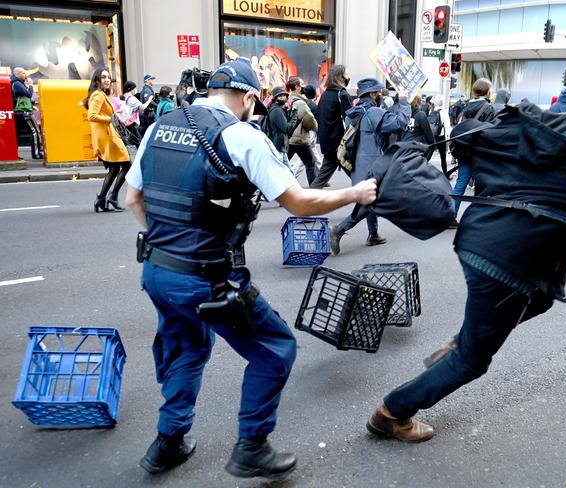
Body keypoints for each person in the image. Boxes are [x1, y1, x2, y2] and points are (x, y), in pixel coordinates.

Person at [124, 57, 378, 480]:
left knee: (186, 350)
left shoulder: (158, 127)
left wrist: (167, 243)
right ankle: (252, 447)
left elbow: (133, 198)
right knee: (275, 349)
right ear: (247, 98)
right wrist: (354, 193)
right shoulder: (240, 136)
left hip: (156, 271)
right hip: (207, 277)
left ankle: (167, 443)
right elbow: (298, 201)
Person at [365, 69, 566, 443]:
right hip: (509, 262)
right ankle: (392, 412)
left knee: (543, 298)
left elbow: (475, 149)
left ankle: (466, 337)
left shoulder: (538, 122)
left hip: (477, 235)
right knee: (472, 361)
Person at [329, 77, 411, 254]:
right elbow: (400, 123)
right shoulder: (373, 112)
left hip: (356, 164)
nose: (380, 94)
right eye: (379, 92)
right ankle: (340, 229)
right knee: (374, 200)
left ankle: (373, 234)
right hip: (371, 164)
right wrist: (404, 102)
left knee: (370, 198)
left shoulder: (354, 112)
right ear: (373, 94)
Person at [449, 78, 497, 227]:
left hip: (464, 151)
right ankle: (478, 220)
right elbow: (490, 132)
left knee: (461, 183)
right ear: (487, 91)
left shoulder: (465, 107)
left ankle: (450, 216)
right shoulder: (488, 108)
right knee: (482, 187)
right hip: (480, 153)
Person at [84, 67, 131, 212]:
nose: (107, 80)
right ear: (97, 80)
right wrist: (110, 118)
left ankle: (101, 199)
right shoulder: (98, 95)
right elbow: (92, 116)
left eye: (108, 77)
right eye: (103, 77)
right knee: (127, 165)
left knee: (115, 167)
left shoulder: (101, 95)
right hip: (108, 137)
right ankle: (112, 196)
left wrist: (114, 115)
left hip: (108, 135)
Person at [310, 64, 353, 189]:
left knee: (326, 171)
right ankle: (371, 193)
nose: (347, 76)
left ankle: (312, 194)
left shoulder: (325, 94)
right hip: (338, 142)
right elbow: (350, 118)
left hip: (327, 139)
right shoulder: (342, 94)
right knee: (355, 171)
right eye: (346, 73)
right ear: (340, 76)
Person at [286, 76, 318, 184]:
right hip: (300, 139)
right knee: (310, 163)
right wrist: (316, 127)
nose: (304, 86)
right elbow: (309, 120)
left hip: (288, 138)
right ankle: (314, 191)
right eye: (302, 84)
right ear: (297, 87)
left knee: (281, 164)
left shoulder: (288, 100)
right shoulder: (301, 103)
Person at [11, 67, 43, 159]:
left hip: (19, 112)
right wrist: (31, 85)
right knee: (35, 132)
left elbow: (22, 98)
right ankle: (36, 154)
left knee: (17, 134)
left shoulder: (17, 83)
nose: (25, 75)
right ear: (18, 74)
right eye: (23, 73)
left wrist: (31, 104)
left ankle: (14, 155)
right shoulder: (17, 83)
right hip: (24, 112)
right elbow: (28, 94)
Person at [266, 86, 291, 169]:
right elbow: (286, 128)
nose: (283, 98)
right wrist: (294, 117)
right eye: (280, 96)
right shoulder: (276, 110)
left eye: (284, 95)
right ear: (275, 98)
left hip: (280, 145)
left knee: (288, 171)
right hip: (278, 145)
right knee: (284, 171)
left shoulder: (278, 108)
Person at [121, 80, 153, 145]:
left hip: (125, 121)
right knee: (138, 141)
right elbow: (142, 107)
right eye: (134, 88)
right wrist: (149, 100)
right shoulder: (131, 99)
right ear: (131, 89)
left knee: (130, 140)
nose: (135, 89)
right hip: (131, 122)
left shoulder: (124, 96)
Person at [428, 95, 452, 176]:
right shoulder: (444, 112)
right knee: (443, 156)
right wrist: (449, 138)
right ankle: (446, 174)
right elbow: (447, 126)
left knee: (429, 155)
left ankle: (423, 171)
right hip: (441, 136)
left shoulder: (431, 111)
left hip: (432, 136)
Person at [302, 84, 323, 172]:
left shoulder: (304, 103)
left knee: (313, 150)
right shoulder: (313, 106)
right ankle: (293, 174)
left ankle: (320, 171)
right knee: (306, 155)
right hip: (311, 131)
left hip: (307, 130)